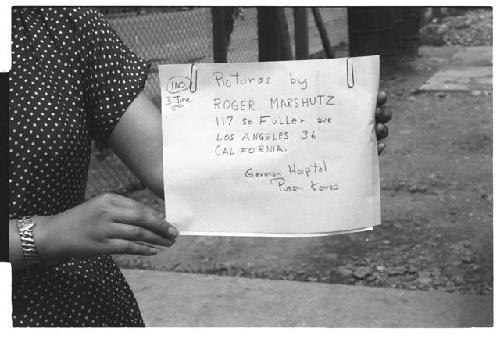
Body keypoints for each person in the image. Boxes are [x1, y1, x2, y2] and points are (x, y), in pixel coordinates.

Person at [8, 7, 391, 327]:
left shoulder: (59, 24)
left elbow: (168, 162)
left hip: (75, 307)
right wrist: (45, 234)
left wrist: (325, 138)